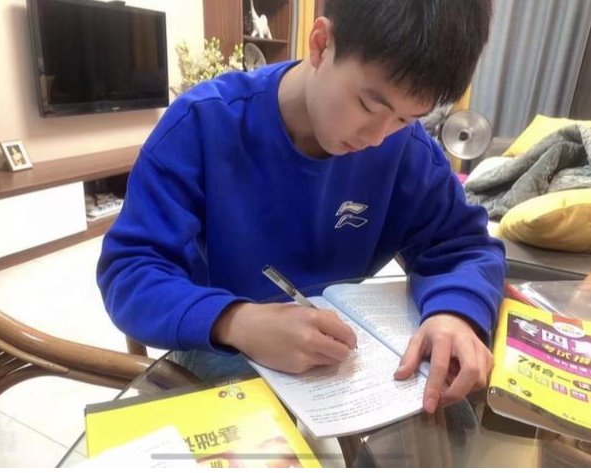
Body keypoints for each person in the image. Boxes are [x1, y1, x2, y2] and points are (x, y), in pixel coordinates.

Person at [98, 0, 506, 414]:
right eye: (369, 105)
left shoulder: (408, 149)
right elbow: (130, 272)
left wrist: (454, 312)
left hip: (343, 374)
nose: (377, 137)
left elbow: (463, 246)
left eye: (406, 118)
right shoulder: (203, 124)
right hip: (222, 357)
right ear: (321, 43)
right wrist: (236, 321)